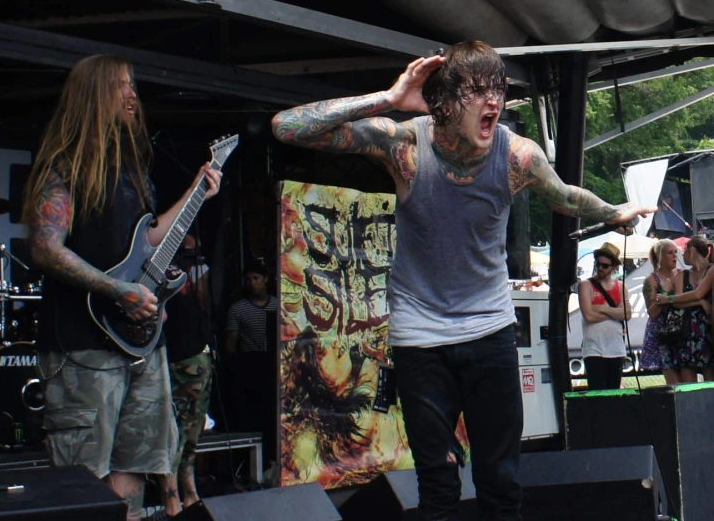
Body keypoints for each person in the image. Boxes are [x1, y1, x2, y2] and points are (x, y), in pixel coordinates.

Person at [271, 40, 655, 521]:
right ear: (447, 102)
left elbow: (563, 195)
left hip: (488, 329)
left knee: (500, 480)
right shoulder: (406, 145)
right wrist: (389, 98)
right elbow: (287, 127)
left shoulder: (516, 156)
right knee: (436, 482)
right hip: (420, 334)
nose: (492, 99)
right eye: (476, 90)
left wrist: (614, 211)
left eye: (497, 87)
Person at [22, 54, 222, 521]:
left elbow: (148, 240)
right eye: (120, 86)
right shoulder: (64, 165)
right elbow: (47, 249)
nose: (132, 95)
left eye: (133, 85)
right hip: (83, 345)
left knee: (136, 464)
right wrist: (117, 291)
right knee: (84, 478)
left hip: (139, 345)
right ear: (92, 94)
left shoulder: (133, 170)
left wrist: (197, 190)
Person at [154, 234, 214, 519]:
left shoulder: (192, 273)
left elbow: (203, 303)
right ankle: (171, 500)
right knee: (172, 432)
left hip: (196, 355)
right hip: (173, 356)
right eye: (187, 250)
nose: (192, 254)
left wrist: (197, 270)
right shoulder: (154, 269)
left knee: (192, 432)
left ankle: (189, 493)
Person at [224, 260, 278, 470]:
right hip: (249, 364)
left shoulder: (278, 304)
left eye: (256, 278)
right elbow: (230, 343)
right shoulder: (238, 309)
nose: (252, 283)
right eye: (248, 279)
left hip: (274, 362)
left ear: (265, 279)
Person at [577, 242, 631, 390]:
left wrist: (602, 308)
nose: (600, 268)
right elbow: (588, 315)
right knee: (597, 390)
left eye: (605, 266)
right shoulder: (586, 285)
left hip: (616, 348)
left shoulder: (620, 286)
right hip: (594, 348)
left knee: (614, 390)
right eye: (598, 264)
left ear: (614, 267)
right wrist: (615, 313)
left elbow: (627, 314)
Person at [660, 236, 714, 383]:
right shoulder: (682, 275)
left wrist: (669, 299)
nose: (681, 255)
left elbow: (696, 293)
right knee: (688, 383)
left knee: (710, 380)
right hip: (686, 333)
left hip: (707, 333)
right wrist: (700, 303)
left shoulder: (711, 270)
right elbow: (677, 303)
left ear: (692, 251)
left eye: (684, 251)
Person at [640, 239, 680, 384]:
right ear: (660, 257)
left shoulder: (682, 274)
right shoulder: (651, 280)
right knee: (673, 381)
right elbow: (652, 313)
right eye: (670, 253)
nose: (675, 256)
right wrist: (667, 292)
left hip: (682, 329)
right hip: (663, 332)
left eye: (676, 252)